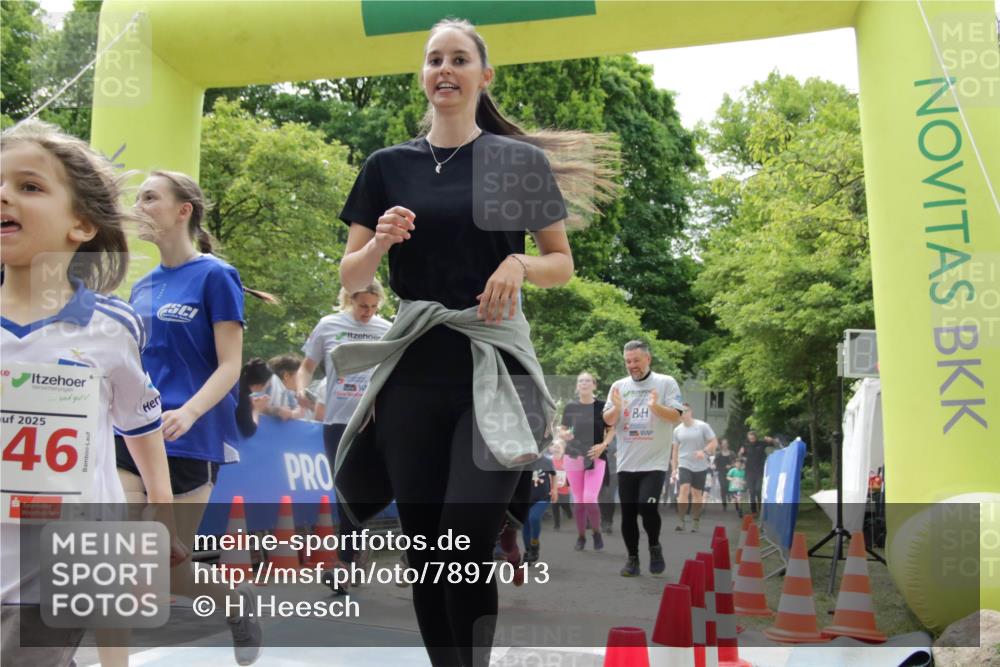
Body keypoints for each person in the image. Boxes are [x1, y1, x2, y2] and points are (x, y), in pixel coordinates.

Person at [330, 18, 618, 666]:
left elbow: (560, 262)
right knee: (428, 549)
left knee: (464, 537)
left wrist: (517, 265)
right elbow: (352, 276)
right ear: (424, 76)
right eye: (434, 59)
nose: (445, 69)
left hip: (495, 366)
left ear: (483, 76)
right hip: (412, 374)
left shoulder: (515, 163)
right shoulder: (387, 167)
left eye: (459, 58)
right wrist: (378, 240)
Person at [0, 120, 186, 667]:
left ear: (81, 223)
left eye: (29, 186)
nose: (4, 195)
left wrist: (163, 511)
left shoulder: (110, 328)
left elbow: (140, 422)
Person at [116, 170, 270, 665]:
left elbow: (231, 366)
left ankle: (233, 600)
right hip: (133, 430)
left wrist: (190, 410)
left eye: (150, 197)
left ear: (184, 210)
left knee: (163, 564)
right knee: (117, 545)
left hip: (192, 435)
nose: (139, 205)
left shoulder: (216, 275)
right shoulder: (140, 287)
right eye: (137, 197)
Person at [296, 282, 390, 577]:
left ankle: (349, 557)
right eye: (363, 306)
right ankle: (349, 558)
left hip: (374, 421)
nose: (368, 313)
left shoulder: (386, 328)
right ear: (350, 300)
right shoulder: (328, 325)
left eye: (374, 307)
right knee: (344, 490)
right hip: (337, 420)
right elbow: (306, 366)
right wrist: (301, 389)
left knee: (368, 488)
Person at [604, 340, 684, 577]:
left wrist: (655, 407)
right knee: (628, 513)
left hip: (654, 462)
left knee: (646, 507)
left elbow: (676, 417)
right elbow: (608, 420)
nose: (632, 365)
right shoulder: (619, 386)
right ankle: (633, 559)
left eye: (636, 360)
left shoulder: (665, 382)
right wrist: (617, 408)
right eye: (628, 361)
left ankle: (654, 546)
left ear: (648, 359)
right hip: (627, 462)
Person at [559, 371, 612, 551]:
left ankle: (596, 532)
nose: (584, 383)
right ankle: (581, 536)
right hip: (573, 455)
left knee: (590, 498)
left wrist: (604, 444)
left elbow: (612, 429)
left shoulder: (603, 406)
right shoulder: (570, 407)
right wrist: (563, 433)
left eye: (588, 381)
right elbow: (563, 428)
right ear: (577, 386)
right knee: (579, 501)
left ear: (594, 385)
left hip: (595, 456)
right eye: (581, 381)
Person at [670, 402, 718, 533]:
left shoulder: (702, 426)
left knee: (697, 494)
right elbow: (674, 451)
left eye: (684, 411)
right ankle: (681, 520)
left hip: (700, 465)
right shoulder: (677, 430)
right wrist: (674, 469)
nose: (682, 414)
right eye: (679, 412)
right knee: (684, 490)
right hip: (684, 464)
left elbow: (714, 442)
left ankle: (695, 520)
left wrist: (704, 451)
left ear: (690, 412)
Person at [739, 431, 767, 515]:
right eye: (750, 438)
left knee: (758, 490)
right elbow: (740, 457)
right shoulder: (745, 445)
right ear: (748, 438)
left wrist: (771, 440)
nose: (752, 439)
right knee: (752, 492)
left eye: (753, 438)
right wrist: (740, 453)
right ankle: (754, 511)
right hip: (749, 472)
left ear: (756, 437)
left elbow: (773, 444)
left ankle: (761, 509)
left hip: (759, 471)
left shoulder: (761, 444)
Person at [714, 438, 735, 512]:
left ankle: (730, 496)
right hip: (721, 472)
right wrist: (714, 466)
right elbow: (715, 463)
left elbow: (735, 463)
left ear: (728, 445)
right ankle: (724, 504)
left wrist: (731, 466)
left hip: (730, 473)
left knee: (728, 487)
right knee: (723, 487)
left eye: (726, 444)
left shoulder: (732, 453)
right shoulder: (718, 454)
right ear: (721, 445)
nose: (724, 445)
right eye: (723, 444)